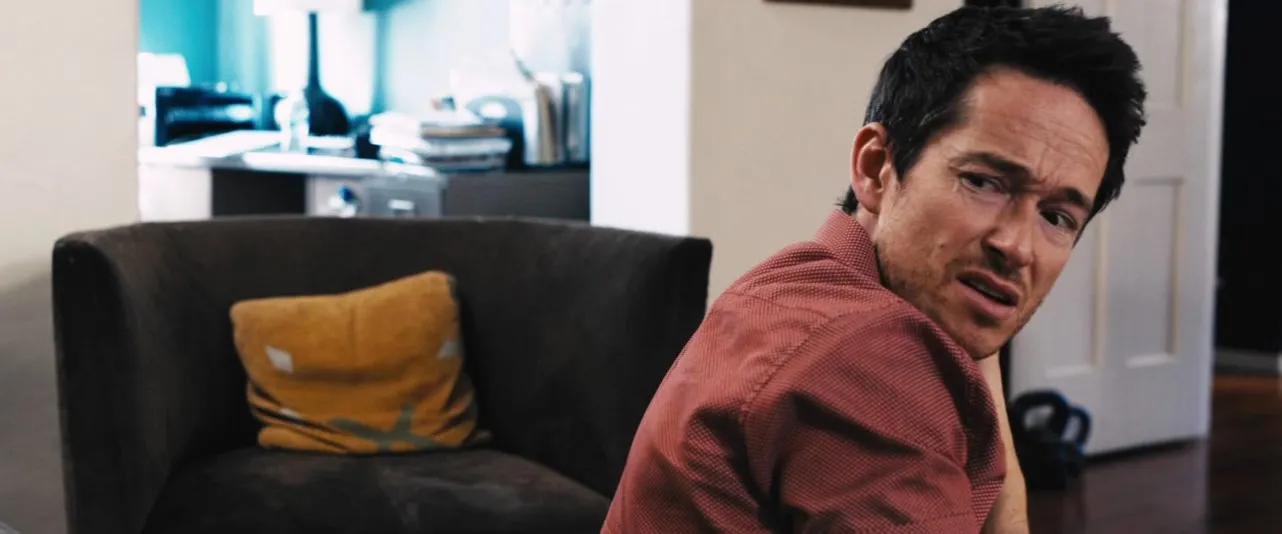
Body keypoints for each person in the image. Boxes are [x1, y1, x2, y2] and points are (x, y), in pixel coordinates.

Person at [602, 5, 1146, 534]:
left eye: (1056, 217)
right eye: (982, 182)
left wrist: (978, 343)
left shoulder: (798, 283)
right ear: (875, 167)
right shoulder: (866, 364)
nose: (1017, 247)